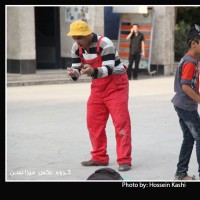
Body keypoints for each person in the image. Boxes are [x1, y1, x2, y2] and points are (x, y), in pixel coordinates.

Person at [66, 20, 132, 171]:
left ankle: (124, 160)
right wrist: (73, 73)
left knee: (121, 123)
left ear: (88, 34)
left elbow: (108, 69)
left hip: (116, 85)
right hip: (97, 87)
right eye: (74, 37)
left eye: (79, 37)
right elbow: (77, 70)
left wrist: (92, 71)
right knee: (93, 122)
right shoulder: (77, 48)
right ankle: (99, 157)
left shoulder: (105, 43)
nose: (76, 41)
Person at [171, 24, 200, 180]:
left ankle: (181, 174)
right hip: (186, 106)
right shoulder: (190, 62)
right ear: (194, 43)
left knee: (189, 138)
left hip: (182, 104)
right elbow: (186, 86)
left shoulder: (189, 59)